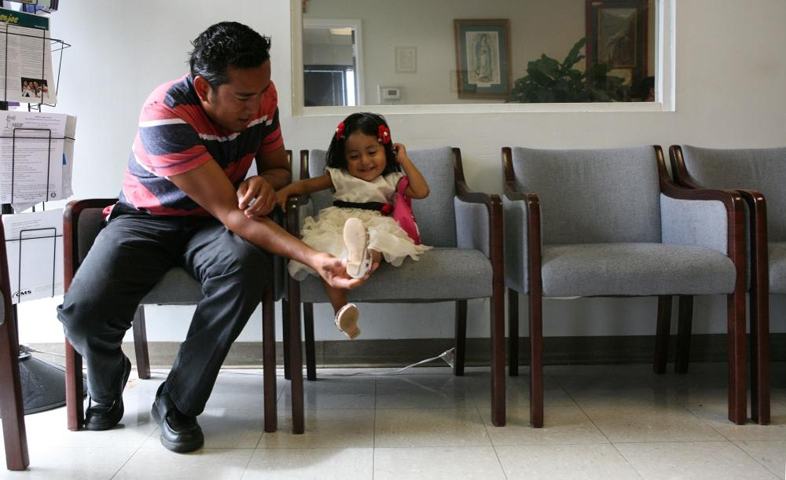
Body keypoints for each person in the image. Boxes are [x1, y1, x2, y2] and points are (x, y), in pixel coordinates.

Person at [56, 22, 365, 454]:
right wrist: (315, 258)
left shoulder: (262, 96)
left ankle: (178, 402)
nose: (257, 105)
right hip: (147, 219)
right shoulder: (166, 114)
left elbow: (277, 168)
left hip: (211, 225)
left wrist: (266, 184)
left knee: (247, 267)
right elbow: (231, 213)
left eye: (263, 91)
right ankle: (106, 381)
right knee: (82, 315)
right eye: (243, 97)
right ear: (203, 87)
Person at [276, 113, 431, 339]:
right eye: (354, 156)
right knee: (328, 257)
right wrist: (285, 192)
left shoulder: (392, 178)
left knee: (380, 241)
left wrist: (404, 160)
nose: (365, 162)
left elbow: (422, 191)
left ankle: (363, 257)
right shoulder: (339, 175)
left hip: (376, 221)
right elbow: (305, 186)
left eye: (372, 152)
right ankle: (342, 312)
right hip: (340, 222)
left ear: (386, 151)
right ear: (344, 157)